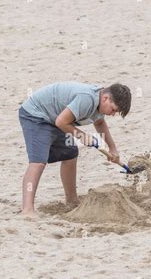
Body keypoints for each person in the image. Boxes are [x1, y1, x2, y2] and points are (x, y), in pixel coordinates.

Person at [18, 81, 132, 215]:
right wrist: (82, 136)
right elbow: (61, 122)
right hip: (36, 115)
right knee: (38, 162)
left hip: (55, 118)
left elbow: (100, 123)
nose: (112, 114)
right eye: (113, 109)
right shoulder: (87, 99)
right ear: (105, 98)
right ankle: (27, 209)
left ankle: (72, 200)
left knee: (70, 153)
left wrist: (112, 149)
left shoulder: (100, 104)